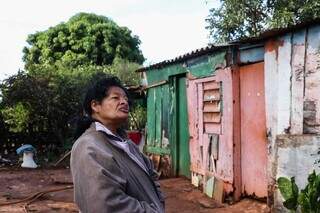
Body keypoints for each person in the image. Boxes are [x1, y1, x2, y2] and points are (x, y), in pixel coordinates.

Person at [70, 75, 165, 213]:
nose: (124, 102)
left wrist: (159, 203)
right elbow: (105, 205)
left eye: (125, 99)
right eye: (116, 98)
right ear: (95, 105)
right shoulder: (89, 146)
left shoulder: (125, 141)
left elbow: (152, 175)